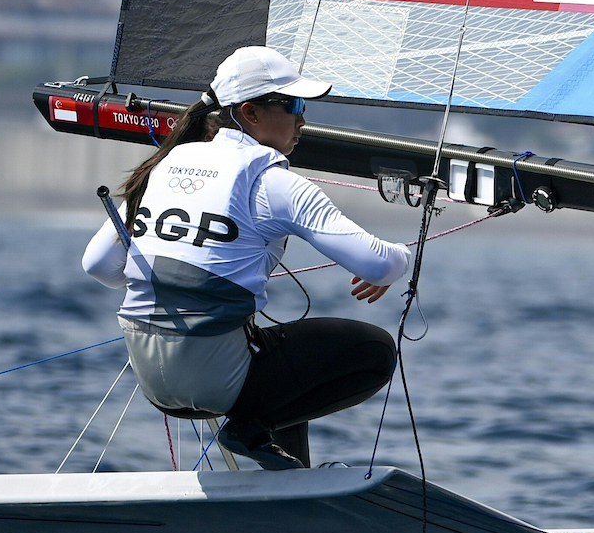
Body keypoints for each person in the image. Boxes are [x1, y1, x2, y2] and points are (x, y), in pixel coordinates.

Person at [83, 46, 411, 470]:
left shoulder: (166, 165)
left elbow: (97, 265)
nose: (302, 119)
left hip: (153, 383)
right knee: (374, 350)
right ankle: (251, 434)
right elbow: (379, 265)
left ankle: (286, 473)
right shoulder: (272, 182)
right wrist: (403, 258)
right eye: (292, 105)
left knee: (283, 354)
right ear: (251, 113)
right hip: (220, 383)